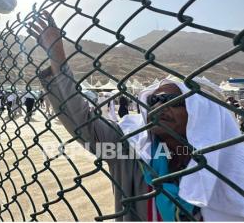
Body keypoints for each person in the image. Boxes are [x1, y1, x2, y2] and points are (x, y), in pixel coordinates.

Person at [28, 11, 244, 221]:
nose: (158, 107)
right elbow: (82, 120)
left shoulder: (229, 169)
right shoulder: (130, 148)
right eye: (153, 100)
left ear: (202, 115)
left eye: (171, 101)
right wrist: (58, 60)